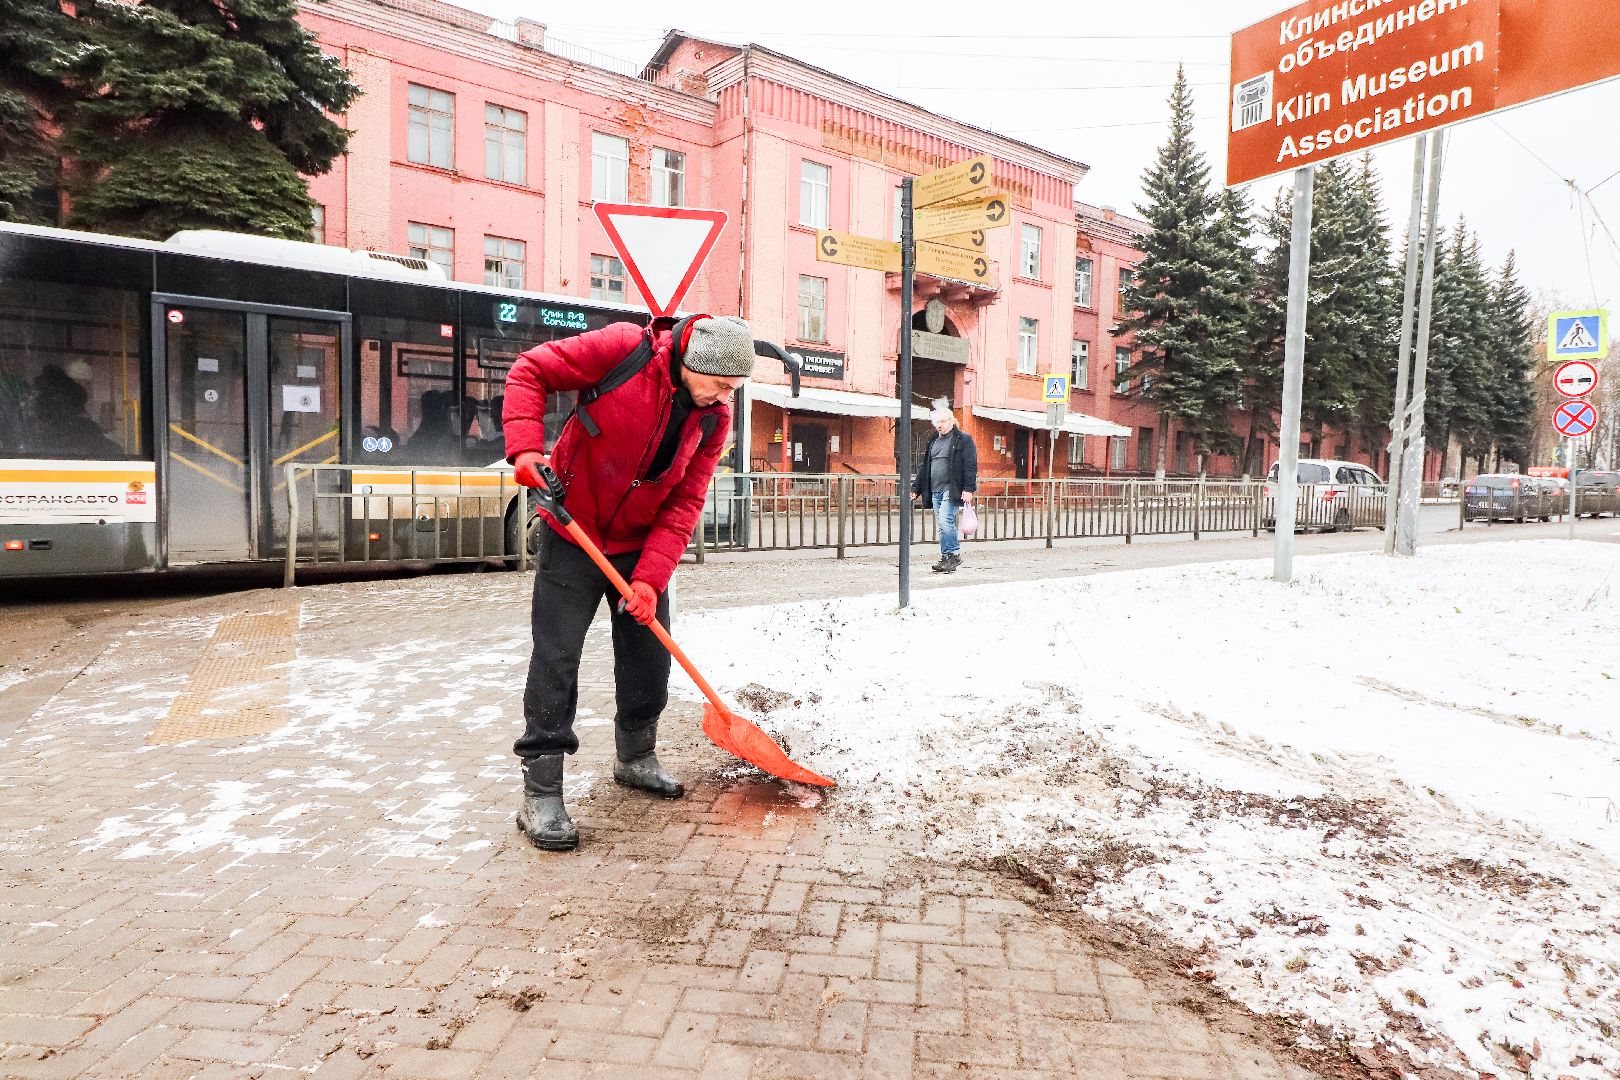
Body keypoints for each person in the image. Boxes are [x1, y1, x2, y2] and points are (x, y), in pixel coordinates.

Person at [502, 314, 754, 851]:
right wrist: (525, 448)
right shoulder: (623, 350)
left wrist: (649, 581)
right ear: (691, 362)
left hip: (639, 545)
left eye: (732, 389)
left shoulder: (713, 420)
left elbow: (685, 502)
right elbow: (530, 370)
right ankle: (541, 791)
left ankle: (635, 756)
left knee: (649, 657)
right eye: (719, 384)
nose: (723, 398)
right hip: (572, 531)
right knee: (556, 659)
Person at [910, 399, 977, 574]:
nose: (939, 425)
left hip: (951, 488)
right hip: (935, 489)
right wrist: (916, 488)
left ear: (951, 421)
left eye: (942, 421)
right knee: (942, 524)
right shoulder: (933, 441)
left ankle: (954, 554)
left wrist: (969, 489)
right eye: (937, 422)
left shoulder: (963, 440)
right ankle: (946, 557)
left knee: (946, 521)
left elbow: (970, 466)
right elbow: (926, 466)